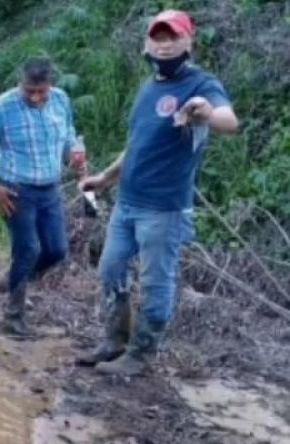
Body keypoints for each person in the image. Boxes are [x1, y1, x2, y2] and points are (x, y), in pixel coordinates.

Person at [76, 10, 239, 375]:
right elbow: (137, 146)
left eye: (173, 37)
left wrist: (206, 113)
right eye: (158, 38)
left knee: (155, 283)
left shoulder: (201, 84)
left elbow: (229, 121)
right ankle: (115, 341)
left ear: (189, 41)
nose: (164, 46)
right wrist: (104, 178)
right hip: (127, 203)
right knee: (111, 270)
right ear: (147, 44)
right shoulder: (149, 87)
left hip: (164, 209)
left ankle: (141, 354)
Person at [0, 56, 86, 338]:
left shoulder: (60, 100)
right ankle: (14, 314)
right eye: (28, 90)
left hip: (50, 188)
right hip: (16, 190)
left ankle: (13, 279)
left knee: (56, 250)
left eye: (40, 91)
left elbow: (68, 134)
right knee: (28, 248)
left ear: (50, 85)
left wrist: (75, 153)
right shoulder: (3, 107)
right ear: (20, 84)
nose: (34, 97)